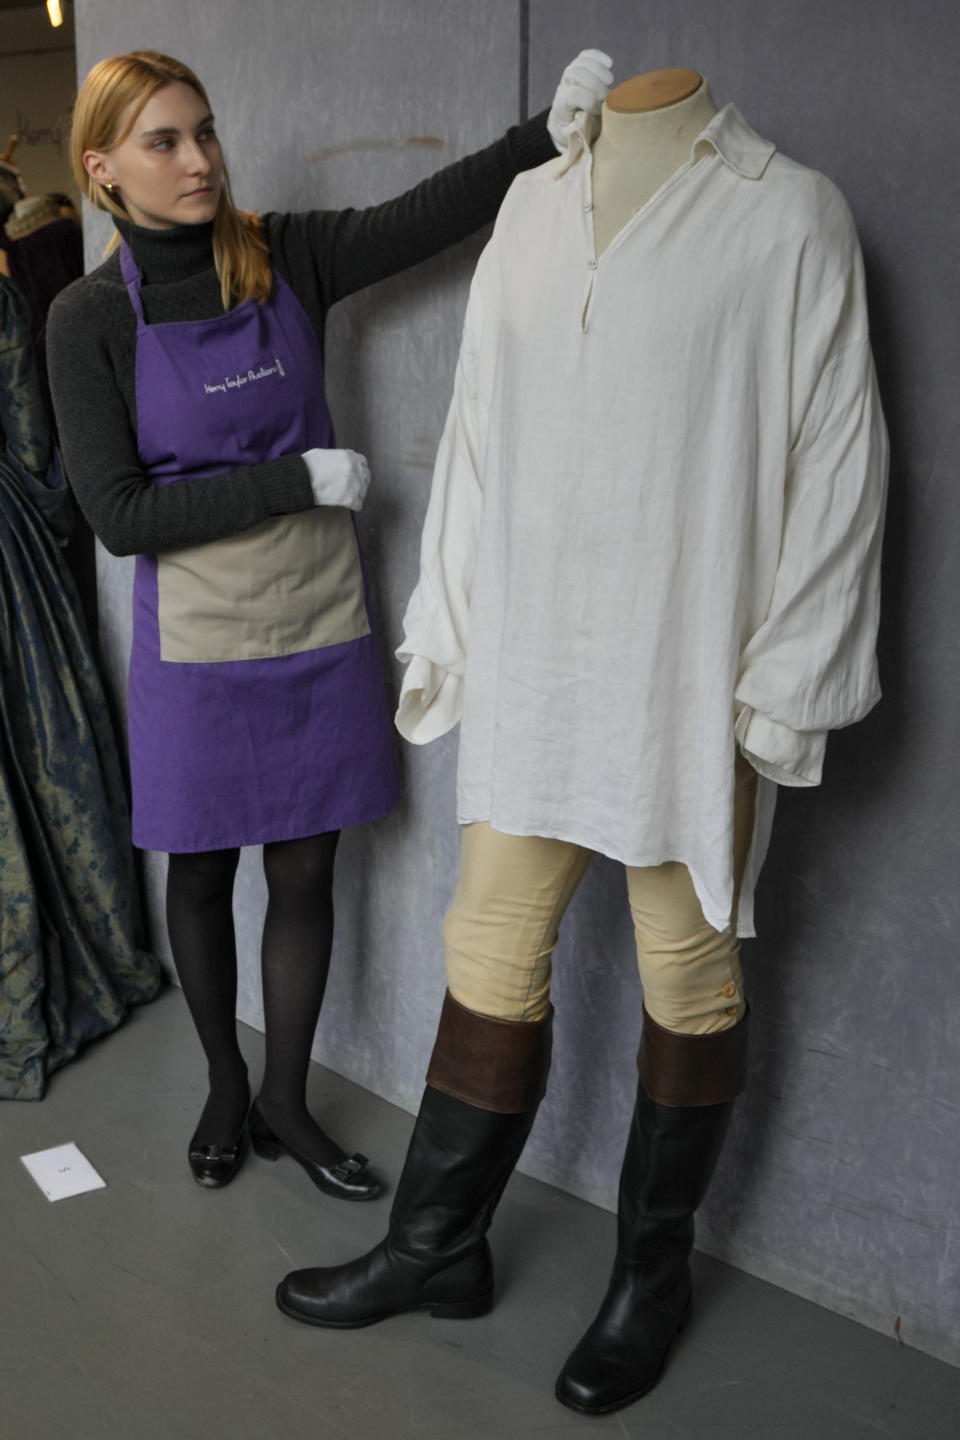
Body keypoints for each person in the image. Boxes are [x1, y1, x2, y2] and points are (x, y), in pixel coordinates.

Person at [274, 68, 888, 1418]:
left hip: (685, 666)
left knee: (686, 966)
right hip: (541, 663)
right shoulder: (535, 211)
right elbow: (482, 436)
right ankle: (437, 1249)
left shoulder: (789, 217)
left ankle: (647, 1282)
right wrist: (455, 627)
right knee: (487, 945)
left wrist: (784, 685)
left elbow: (842, 466)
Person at [47, 48, 614, 1194]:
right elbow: (117, 516)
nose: (201, 159)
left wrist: (542, 135)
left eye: (205, 131)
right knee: (203, 877)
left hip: (317, 632)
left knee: (307, 874)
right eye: (166, 141)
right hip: (197, 655)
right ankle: (221, 1083)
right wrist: (293, 483)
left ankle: (287, 1101)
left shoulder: (283, 254)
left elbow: (428, 215)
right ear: (103, 168)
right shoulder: (87, 317)